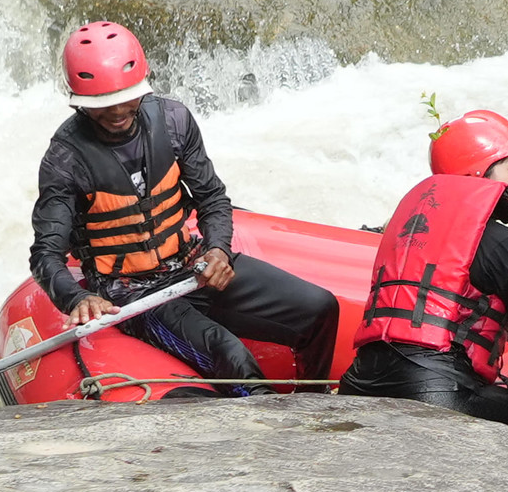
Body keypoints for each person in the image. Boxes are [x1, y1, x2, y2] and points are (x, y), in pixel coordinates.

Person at [27, 21, 338, 393]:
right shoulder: (65, 159)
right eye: (100, 105)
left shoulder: (174, 122)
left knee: (320, 309)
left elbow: (213, 199)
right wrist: (77, 297)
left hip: (194, 268)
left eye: (126, 97)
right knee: (233, 358)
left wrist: (218, 249)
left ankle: (315, 401)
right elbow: (45, 254)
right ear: (80, 102)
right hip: (136, 297)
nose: (115, 111)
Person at [335, 108, 508, 430]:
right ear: (479, 176)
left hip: (360, 380)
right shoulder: (496, 240)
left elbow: (448, 298)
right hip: (436, 394)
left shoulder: (409, 228)